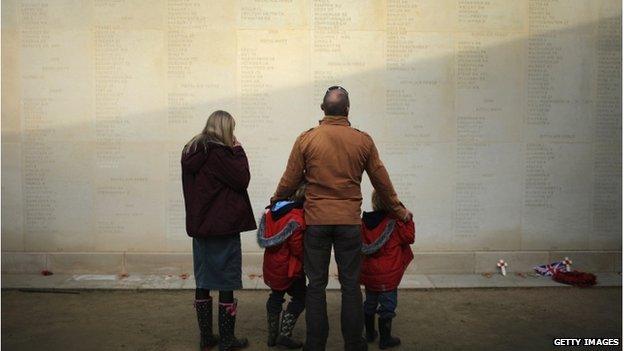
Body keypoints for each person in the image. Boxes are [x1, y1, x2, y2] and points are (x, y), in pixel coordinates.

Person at [271, 86, 413, 351]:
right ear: (348, 110)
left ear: (322, 109)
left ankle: (315, 345)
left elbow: (289, 180)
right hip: (349, 223)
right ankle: (354, 345)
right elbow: (381, 181)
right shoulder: (363, 140)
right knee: (350, 286)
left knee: (316, 286)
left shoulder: (306, 139)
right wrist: (399, 211)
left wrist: (274, 200)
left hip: (316, 222)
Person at [181, 110, 256, 351]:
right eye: (232, 129)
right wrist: (238, 149)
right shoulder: (221, 154)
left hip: (201, 227)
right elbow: (242, 178)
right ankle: (226, 340)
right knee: (225, 281)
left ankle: (206, 338)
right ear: (225, 129)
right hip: (223, 227)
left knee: (202, 279)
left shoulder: (191, 150)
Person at [360, 190, 415, 349]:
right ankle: (385, 339)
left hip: (370, 274)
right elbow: (409, 237)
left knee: (370, 302)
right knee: (387, 305)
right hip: (388, 274)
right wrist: (407, 216)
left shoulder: (365, 222)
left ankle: (370, 334)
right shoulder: (395, 223)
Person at [257, 183, 307, 349]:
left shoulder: (272, 211)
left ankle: (272, 336)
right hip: (290, 269)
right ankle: (284, 336)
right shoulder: (297, 217)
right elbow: (297, 248)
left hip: (272, 266)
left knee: (276, 296)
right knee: (301, 298)